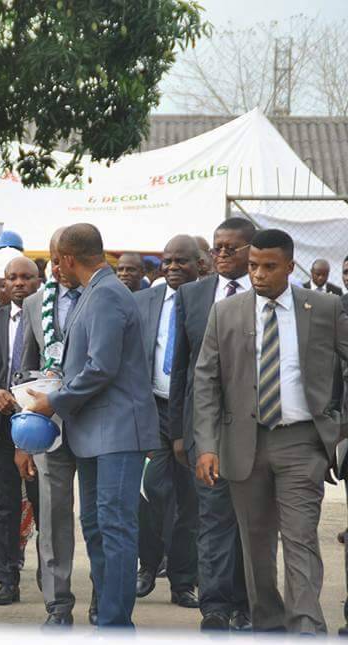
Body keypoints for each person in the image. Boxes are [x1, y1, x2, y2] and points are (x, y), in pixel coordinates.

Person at [194, 229, 348, 634]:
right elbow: (206, 381)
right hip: (243, 444)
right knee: (256, 546)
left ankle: (306, 627)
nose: (258, 274)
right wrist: (207, 446)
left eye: (269, 266)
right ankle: (268, 625)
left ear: (290, 266)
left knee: (300, 538)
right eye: (253, 266)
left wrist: (340, 425)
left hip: (302, 442)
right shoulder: (226, 313)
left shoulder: (324, 307)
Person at [25, 223, 160, 628]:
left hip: (117, 432)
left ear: (67, 258)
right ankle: (108, 616)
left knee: (115, 527)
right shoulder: (95, 292)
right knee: (96, 526)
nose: (54, 268)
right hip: (94, 435)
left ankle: (116, 623)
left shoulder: (104, 295)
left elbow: (101, 367)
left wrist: (54, 402)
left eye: (55, 260)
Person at [169, 217, 254, 631]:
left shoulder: (268, 295)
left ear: (252, 252)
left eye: (230, 248)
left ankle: (248, 603)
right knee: (215, 520)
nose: (220, 254)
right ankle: (216, 607)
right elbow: (180, 369)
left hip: (258, 429)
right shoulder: (192, 296)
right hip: (207, 431)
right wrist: (180, 433)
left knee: (252, 521)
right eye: (216, 248)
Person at [22, 227, 88, 626]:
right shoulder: (35, 303)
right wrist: (24, 436)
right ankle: (57, 604)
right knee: (53, 516)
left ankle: (103, 599)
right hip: (50, 425)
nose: (62, 265)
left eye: (67, 256)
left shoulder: (101, 298)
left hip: (97, 422)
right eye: (55, 256)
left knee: (97, 517)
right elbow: (27, 366)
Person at [132, 235, 202, 609]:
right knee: (151, 493)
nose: (173, 268)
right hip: (153, 411)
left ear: (199, 264)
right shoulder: (143, 301)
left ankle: (183, 581)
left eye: (182, 261)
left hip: (193, 415)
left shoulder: (210, 302)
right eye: (168, 261)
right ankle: (148, 565)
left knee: (189, 501)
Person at [0, 255, 41, 607]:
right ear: (3, 283)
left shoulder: (51, 320)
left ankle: (49, 570)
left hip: (42, 427)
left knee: (45, 504)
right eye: (11, 278)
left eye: (26, 277)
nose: (18, 283)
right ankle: (7, 577)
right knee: (4, 506)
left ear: (38, 281)